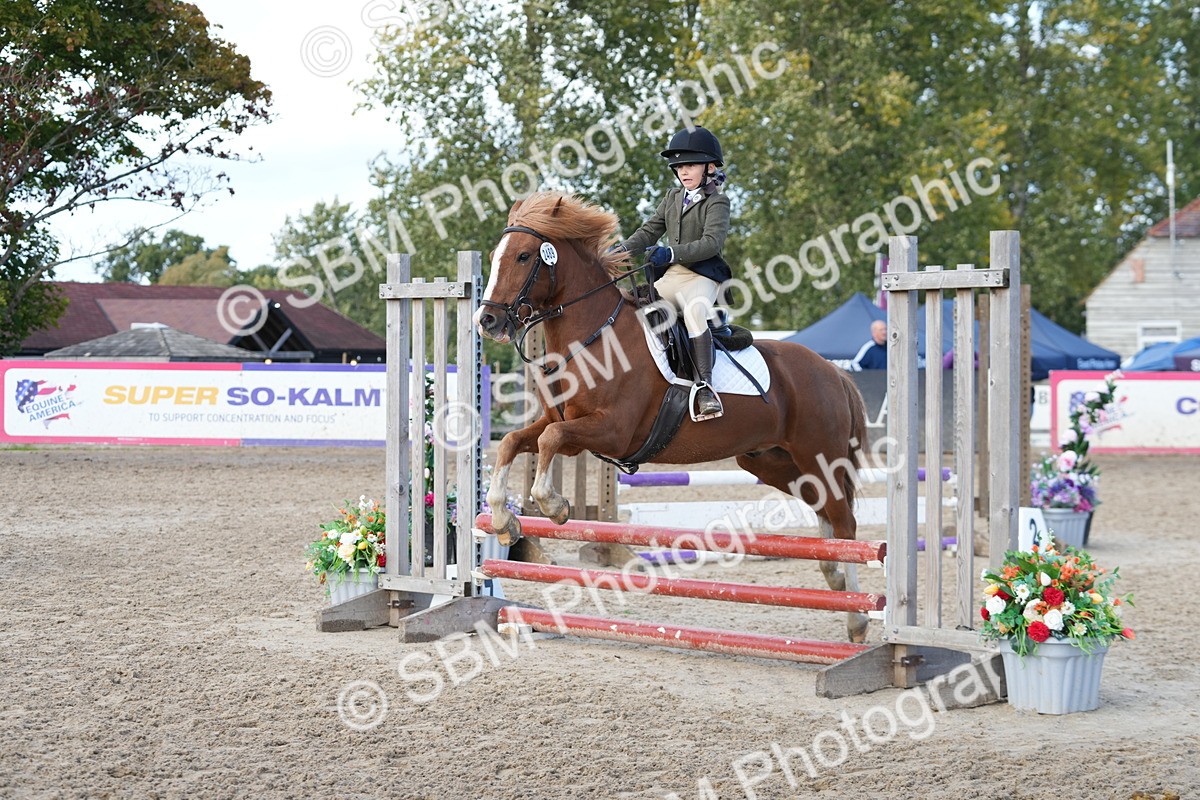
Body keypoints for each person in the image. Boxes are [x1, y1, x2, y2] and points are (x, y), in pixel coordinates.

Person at [615, 126, 731, 420]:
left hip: (703, 278)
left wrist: (670, 252)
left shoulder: (718, 202)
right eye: (679, 166)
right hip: (674, 276)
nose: (683, 171)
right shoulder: (671, 197)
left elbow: (711, 243)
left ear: (710, 167)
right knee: (634, 305)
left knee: (693, 313)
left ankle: (705, 388)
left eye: (690, 165)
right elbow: (649, 231)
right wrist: (618, 252)